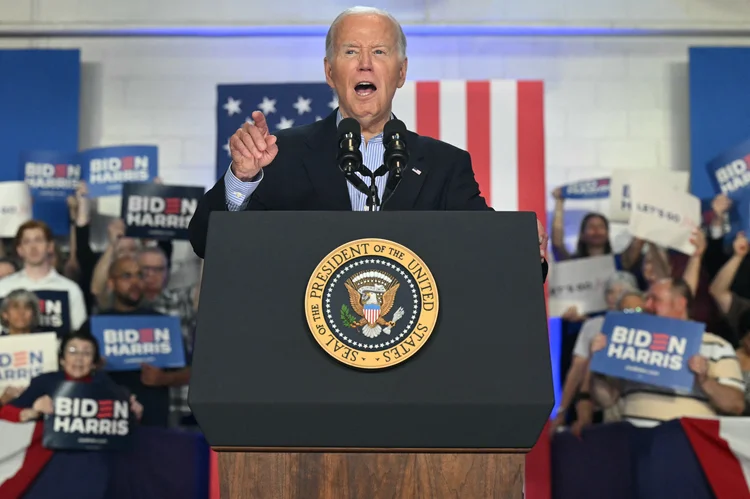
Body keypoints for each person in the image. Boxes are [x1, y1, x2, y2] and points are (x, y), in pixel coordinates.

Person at [188, 6, 549, 280]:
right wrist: (243, 178)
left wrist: (522, 245)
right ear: (330, 72)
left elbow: (487, 251)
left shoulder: (444, 165)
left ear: (401, 72)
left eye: (379, 52)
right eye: (350, 52)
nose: (365, 64)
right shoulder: (279, 154)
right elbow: (207, 242)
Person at [0, 330, 143, 422]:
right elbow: (5, 413)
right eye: (73, 352)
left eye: (86, 353)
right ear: (62, 360)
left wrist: (134, 413)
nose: (79, 359)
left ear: (94, 363)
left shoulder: (104, 384)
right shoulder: (43, 381)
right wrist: (32, 412)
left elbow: (126, 416)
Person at [0, 220, 87, 332]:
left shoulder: (70, 289)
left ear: (50, 246)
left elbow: (80, 334)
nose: (33, 247)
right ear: (20, 250)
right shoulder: (4, 287)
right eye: (27, 242)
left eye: (38, 240)